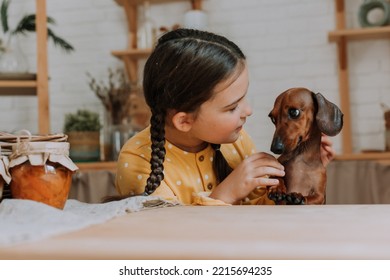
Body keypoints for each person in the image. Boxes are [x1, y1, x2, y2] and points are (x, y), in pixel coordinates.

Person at [111, 28, 335, 206]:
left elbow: (264, 211)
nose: (248, 111)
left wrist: (302, 174)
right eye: (232, 107)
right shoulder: (138, 160)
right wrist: (225, 194)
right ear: (184, 121)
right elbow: (168, 236)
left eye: (244, 98)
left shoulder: (237, 142)